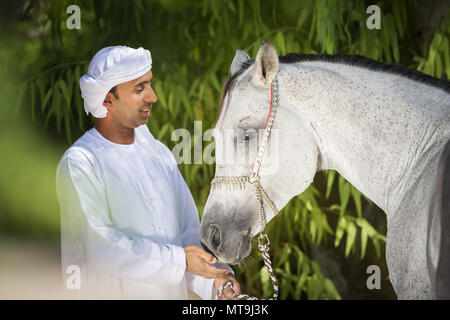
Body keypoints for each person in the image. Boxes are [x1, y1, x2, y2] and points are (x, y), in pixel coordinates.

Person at [55, 46, 240, 299]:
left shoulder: (159, 155)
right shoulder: (81, 163)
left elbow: (186, 234)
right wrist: (180, 260)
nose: (152, 96)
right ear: (107, 99)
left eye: (149, 85)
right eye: (139, 89)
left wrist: (216, 282)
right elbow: (99, 246)